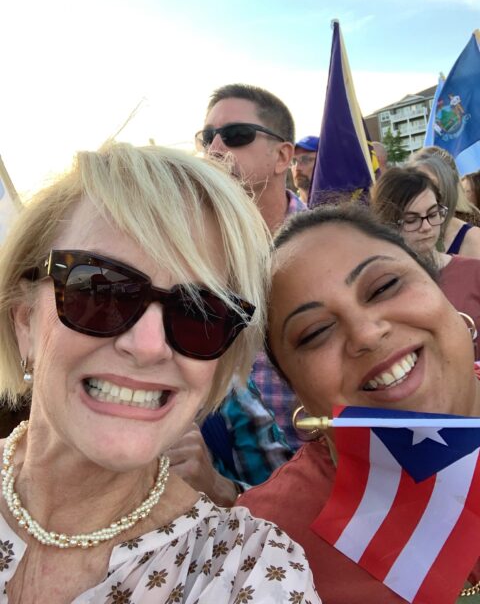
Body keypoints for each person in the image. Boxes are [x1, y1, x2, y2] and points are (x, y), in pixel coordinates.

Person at [0, 143, 320, 603]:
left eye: (200, 312)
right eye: (100, 290)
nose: (149, 346)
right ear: (24, 320)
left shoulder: (249, 571)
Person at [238, 204, 480, 602]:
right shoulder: (267, 544)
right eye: (315, 332)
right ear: (295, 389)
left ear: (442, 290)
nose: (366, 334)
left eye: (384, 286)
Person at [194, 83, 306, 449]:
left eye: (235, 135)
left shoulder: (332, 249)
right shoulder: (194, 257)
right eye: (207, 137)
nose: (214, 149)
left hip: (331, 471)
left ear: (282, 156)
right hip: (230, 484)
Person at [371, 165, 480, 357]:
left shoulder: (474, 272)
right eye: (412, 220)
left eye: (432, 214)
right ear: (386, 222)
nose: (427, 227)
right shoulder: (377, 288)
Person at [409, 147, 480, 255]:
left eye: (432, 185)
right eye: (417, 183)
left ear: (449, 187)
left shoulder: (474, 240)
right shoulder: (400, 236)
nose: (424, 192)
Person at [292, 136, 319, 204]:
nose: (297, 168)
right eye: (294, 161)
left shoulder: (338, 209)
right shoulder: (288, 210)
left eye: (305, 160)